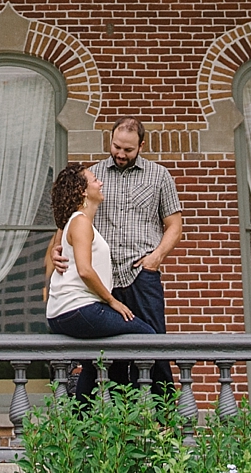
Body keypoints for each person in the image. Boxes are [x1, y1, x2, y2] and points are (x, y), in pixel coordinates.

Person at [50, 117, 183, 390]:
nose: (121, 154)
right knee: (111, 359)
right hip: (101, 280)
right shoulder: (92, 177)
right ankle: (123, 422)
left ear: (141, 146)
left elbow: (175, 226)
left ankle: (166, 422)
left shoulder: (159, 176)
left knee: (154, 347)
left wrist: (154, 259)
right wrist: (56, 249)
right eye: (116, 147)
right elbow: (68, 221)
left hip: (141, 275)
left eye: (128, 150)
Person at [44, 161, 154, 399]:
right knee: (147, 336)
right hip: (78, 309)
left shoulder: (76, 222)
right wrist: (112, 301)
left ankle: (81, 421)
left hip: (66, 312)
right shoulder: (81, 221)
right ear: (83, 190)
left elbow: (63, 245)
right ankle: (139, 409)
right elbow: (84, 270)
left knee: (95, 363)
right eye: (95, 180)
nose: (100, 182)